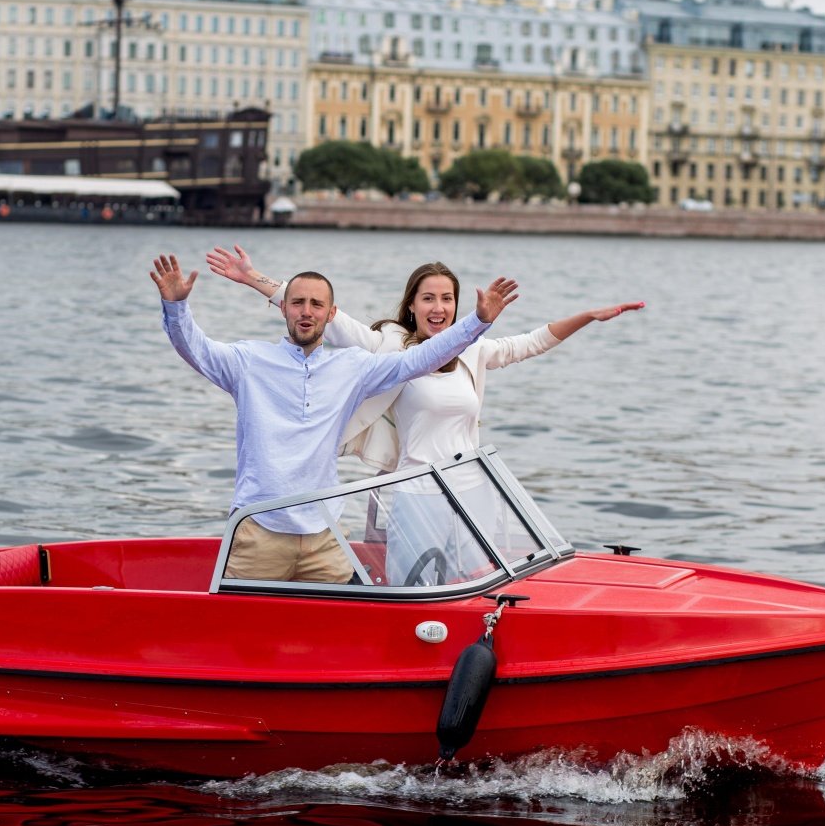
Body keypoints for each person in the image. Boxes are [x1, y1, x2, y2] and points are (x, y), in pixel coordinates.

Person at [205, 245, 642, 584]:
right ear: (411, 305)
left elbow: (532, 342)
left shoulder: (473, 347)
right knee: (413, 585)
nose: (439, 307)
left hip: (472, 490)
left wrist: (587, 316)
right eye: (428, 298)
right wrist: (253, 279)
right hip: (416, 490)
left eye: (447, 299)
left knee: (472, 585)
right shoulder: (388, 346)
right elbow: (320, 313)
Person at [151, 253, 518, 584]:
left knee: (361, 622)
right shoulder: (247, 362)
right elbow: (195, 349)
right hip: (260, 528)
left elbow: (419, 359)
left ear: (330, 313)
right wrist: (176, 306)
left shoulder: (351, 368)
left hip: (323, 533)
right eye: (297, 303)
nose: (306, 311)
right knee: (242, 631)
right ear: (283, 309)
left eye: (316, 304)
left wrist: (477, 321)